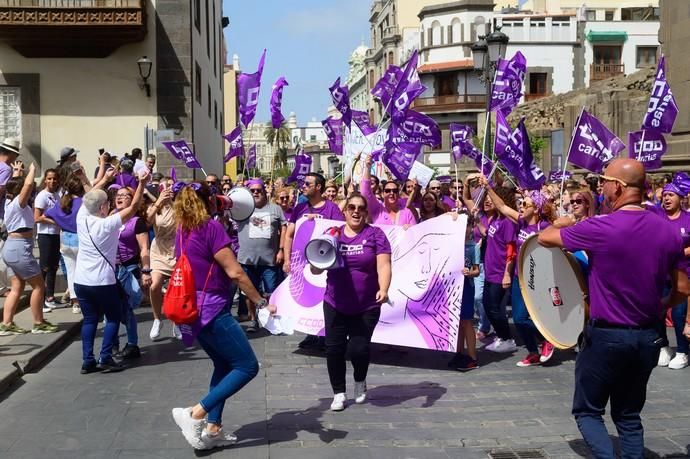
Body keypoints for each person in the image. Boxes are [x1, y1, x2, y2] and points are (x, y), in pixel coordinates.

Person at [538, 158, 690, 459]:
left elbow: (544, 239)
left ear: (617, 187)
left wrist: (565, 223)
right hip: (648, 336)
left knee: (587, 411)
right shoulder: (668, 231)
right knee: (629, 416)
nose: (601, 186)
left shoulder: (599, 227)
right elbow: (684, 288)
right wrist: (661, 306)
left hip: (606, 337)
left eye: (604, 181)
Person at [169, 182, 276, 451]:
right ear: (209, 201)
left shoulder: (184, 228)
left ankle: (213, 428)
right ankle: (195, 413)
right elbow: (235, 272)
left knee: (223, 363)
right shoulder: (211, 227)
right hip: (213, 308)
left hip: (193, 308)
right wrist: (261, 302)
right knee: (247, 366)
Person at [308, 192, 391, 411]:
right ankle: (338, 393)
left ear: (366, 212)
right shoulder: (332, 233)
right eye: (351, 207)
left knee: (358, 349)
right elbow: (317, 265)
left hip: (366, 305)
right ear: (344, 211)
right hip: (335, 302)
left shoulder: (376, 234)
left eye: (361, 208)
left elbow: (383, 265)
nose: (356, 211)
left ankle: (360, 379)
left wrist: (384, 289)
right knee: (334, 349)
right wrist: (317, 263)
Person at [74, 171, 148, 374]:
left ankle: (87, 360)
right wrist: (142, 183)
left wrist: (102, 178)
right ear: (102, 207)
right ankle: (105, 357)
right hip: (102, 280)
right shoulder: (107, 224)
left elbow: (90, 196)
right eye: (107, 203)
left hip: (81, 280)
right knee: (113, 317)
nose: (110, 205)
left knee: (89, 320)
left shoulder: (82, 216)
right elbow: (133, 208)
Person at [481, 177, 556, 366]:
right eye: (521, 204)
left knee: (525, 318)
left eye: (526, 204)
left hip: (538, 279)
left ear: (536, 209)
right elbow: (503, 207)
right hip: (519, 278)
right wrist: (488, 187)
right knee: (519, 318)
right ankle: (533, 352)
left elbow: (563, 226)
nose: (521, 206)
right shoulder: (521, 223)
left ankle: (549, 337)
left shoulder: (544, 227)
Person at [282, 172, 345, 350]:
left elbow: (339, 231)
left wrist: (320, 222)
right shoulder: (299, 209)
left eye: (308, 184)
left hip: (326, 264)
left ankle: (326, 335)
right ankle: (310, 334)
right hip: (302, 264)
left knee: (324, 299)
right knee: (307, 297)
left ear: (318, 187)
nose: (303, 186)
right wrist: (287, 259)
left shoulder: (332, 208)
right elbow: (289, 235)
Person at [0, 163, 58, 335]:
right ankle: (38, 322)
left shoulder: (8, 202)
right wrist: (32, 171)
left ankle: (7, 323)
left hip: (11, 247)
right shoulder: (18, 203)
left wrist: (18, 171)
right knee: (39, 286)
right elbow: (25, 186)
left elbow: (17, 185)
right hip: (19, 248)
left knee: (17, 287)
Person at [647, 173, 690, 370]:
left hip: (681, 275)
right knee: (658, 310)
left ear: (681, 198)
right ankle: (663, 346)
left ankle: (683, 351)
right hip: (659, 274)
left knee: (680, 314)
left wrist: (680, 252)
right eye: (664, 195)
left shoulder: (688, 219)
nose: (666, 198)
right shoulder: (656, 215)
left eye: (671, 195)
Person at [236, 178, 285, 333]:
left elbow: (284, 228)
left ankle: (270, 319)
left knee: (271, 292)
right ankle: (253, 320)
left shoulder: (275, 209)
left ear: (265, 192)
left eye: (259, 190)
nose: (256, 193)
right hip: (247, 259)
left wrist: (281, 249)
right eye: (253, 191)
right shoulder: (242, 208)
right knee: (249, 292)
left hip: (269, 260)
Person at [112, 186, 152, 359]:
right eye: (117, 195)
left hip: (128, 268)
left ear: (132, 199)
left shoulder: (137, 221)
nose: (120, 198)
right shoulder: (110, 216)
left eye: (125, 195)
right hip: (110, 269)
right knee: (110, 308)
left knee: (127, 308)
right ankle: (111, 344)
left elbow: (144, 248)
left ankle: (132, 344)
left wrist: (145, 271)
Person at [447, 214, 480, 371]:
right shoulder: (453, 245)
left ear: (470, 228)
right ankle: (459, 353)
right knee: (457, 322)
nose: (464, 229)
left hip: (467, 287)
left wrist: (469, 272)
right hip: (454, 288)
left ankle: (472, 357)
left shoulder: (473, 247)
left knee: (467, 321)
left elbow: (477, 271)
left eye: (467, 226)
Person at [147, 177, 178, 340]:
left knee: (177, 288)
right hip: (159, 249)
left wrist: (173, 201)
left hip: (175, 249)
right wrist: (160, 201)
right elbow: (148, 220)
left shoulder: (179, 207)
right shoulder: (154, 206)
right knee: (155, 286)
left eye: (172, 186)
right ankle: (157, 319)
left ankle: (177, 321)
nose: (169, 189)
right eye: (166, 186)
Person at [33, 168, 64, 310]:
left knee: (53, 266)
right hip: (45, 235)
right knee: (44, 267)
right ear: (45, 179)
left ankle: (50, 297)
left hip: (55, 235)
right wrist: (56, 222)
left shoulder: (57, 196)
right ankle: (41, 299)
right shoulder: (42, 196)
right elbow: (37, 218)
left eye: (55, 179)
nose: (52, 181)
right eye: (49, 178)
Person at [360, 155, 416, 226]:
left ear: (398, 194)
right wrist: (368, 167)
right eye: (387, 191)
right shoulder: (377, 208)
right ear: (383, 194)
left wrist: (410, 229)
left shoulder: (407, 212)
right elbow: (365, 192)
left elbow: (415, 233)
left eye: (395, 191)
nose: (391, 193)